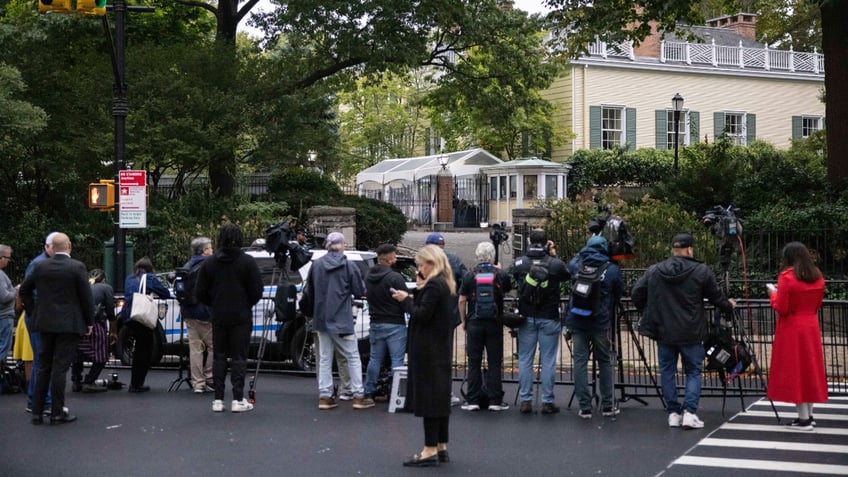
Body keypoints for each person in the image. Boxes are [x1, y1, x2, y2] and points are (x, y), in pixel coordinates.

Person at [631, 233, 736, 429]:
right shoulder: (701, 271)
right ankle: (690, 412)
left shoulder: (655, 270)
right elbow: (716, 297)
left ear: (673, 250)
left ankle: (672, 413)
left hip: (664, 331)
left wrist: (649, 312)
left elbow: (637, 293)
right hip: (691, 330)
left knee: (667, 372)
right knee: (693, 371)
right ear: (689, 250)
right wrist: (728, 305)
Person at [19, 233, 94, 424]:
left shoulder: (40, 266)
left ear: (52, 247)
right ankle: (57, 411)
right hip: (69, 324)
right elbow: (86, 298)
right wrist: (89, 323)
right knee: (60, 368)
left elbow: (24, 290)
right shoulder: (77, 267)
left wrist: (32, 311)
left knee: (43, 366)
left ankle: (36, 411)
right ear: (69, 245)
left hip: (44, 322)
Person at [392, 244, 455, 467]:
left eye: (420, 264)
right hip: (439, 349)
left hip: (428, 351)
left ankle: (429, 450)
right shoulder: (444, 284)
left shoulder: (434, 286)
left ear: (431, 263)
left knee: (429, 400)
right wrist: (418, 289)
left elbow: (421, 314)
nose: (419, 269)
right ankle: (441, 445)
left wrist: (406, 300)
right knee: (439, 399)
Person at [196, 223, 263, 413]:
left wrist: (214, 303)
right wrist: (245, 303)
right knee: (239, 357)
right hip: (241, 315)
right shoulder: (247, 262)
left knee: (219, 356)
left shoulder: (209, 263)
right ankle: (237, 398)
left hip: (218, 315)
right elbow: (257, 291)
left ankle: (218, 399)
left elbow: (200, 292)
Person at [302, 232, 373, 410]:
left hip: (321, 318)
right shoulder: (349, 266)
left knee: (325, 358)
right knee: (353, 357)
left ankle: (325, 395)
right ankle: (358, 395)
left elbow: (309, 293)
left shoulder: (316, 265)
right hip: (342, 320)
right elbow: (359, 290)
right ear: (341, 246)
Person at [766, 241, 828, 431]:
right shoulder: (817, 276)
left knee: (796, 371)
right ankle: (808, 415)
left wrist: (772, 294)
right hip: (810, 324)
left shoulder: (787, 277)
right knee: (810, 368)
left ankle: (803, 419)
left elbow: (782, 307)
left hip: (792, 327)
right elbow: (817, 303)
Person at [564, 236, 623, 419]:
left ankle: (584, 406)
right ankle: (607, 404)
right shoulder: (611, 269)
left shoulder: (577, 264)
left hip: (578, 318)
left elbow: (570, 265)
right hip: (600, 321)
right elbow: (619, 292)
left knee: (580, 362)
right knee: (604, 361)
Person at [511, 229, 570, 414]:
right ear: (547, 243)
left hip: (527, 316)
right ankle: (547, 400)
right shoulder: (555, 264)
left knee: (525, 359)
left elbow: (513, 279)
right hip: (549, 316)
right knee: (548, 361)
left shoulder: (520, 263)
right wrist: (554, 254)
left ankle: (526, 400)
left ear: (529, 241)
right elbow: (567, 275)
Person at [458, 241, 512, 412]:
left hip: (474, 321)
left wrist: (464, 320)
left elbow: (461, 300)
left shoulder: (469, 275)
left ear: (477, 256)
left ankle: (472, 399)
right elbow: (508, 289)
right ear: (492, 256)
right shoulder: (500, 274)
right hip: (494, 322)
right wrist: (500, 269)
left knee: (474, 361)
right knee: (495, 361)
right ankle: (495, 400)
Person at [425, 232, 467, 406]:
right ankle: (445, 393)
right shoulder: (454, 260)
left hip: (428, 315)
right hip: (448, 315)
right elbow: (466, 280)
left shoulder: (424, 262)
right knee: (445, 355)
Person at [363, 243, 408, 401]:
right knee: (397, 360)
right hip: (395, 322)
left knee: (375, 359)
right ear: (389, 259)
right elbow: (405, 301)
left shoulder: (368, 276)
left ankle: (369, 390)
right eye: (394, 256)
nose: (396, 258)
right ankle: (396, 393)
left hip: (375, 321)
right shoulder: (395, 278)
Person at [120, 257, 172, 393]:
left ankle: (135, 382)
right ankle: (137, 383)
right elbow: (165, 293)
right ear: (150, 268)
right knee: (145, 350)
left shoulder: (129, 278)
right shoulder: (149, 278)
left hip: (129, 315)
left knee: (138, 350)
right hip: (142, 317)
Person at [23, 232, 58, 413]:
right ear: (47, 247)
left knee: (41, 359)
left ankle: (35, 401)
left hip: (38, 315)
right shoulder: (39, 264)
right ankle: (43, 402)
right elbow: (28, 292)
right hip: (40, 316)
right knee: (42, 360)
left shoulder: (40, 263)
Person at [71, 269, 115, 393]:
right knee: (102, 354)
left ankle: (76, 381)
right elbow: (111, 310)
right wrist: (113, 330)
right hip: (94, 325)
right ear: (104, 279)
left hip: (77, 325)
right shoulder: (106, 288)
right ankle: (89, 381)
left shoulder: (81, 286)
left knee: (78, 354)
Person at [180, 237, 215, 394]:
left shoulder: (187, 266)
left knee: (195, 348)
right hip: (205, 312)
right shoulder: (208, 265)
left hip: (188, 311)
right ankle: (209, 377)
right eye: (210, 248)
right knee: (215, 346)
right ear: (204, 250)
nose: (212, 250)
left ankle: (198, 383)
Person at [0, 244, 16, 371]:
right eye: (8, 258)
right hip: (4, 316)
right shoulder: (0, 275)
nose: (8, 261)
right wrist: (16, 290)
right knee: (3, 348)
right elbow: (4, 297)